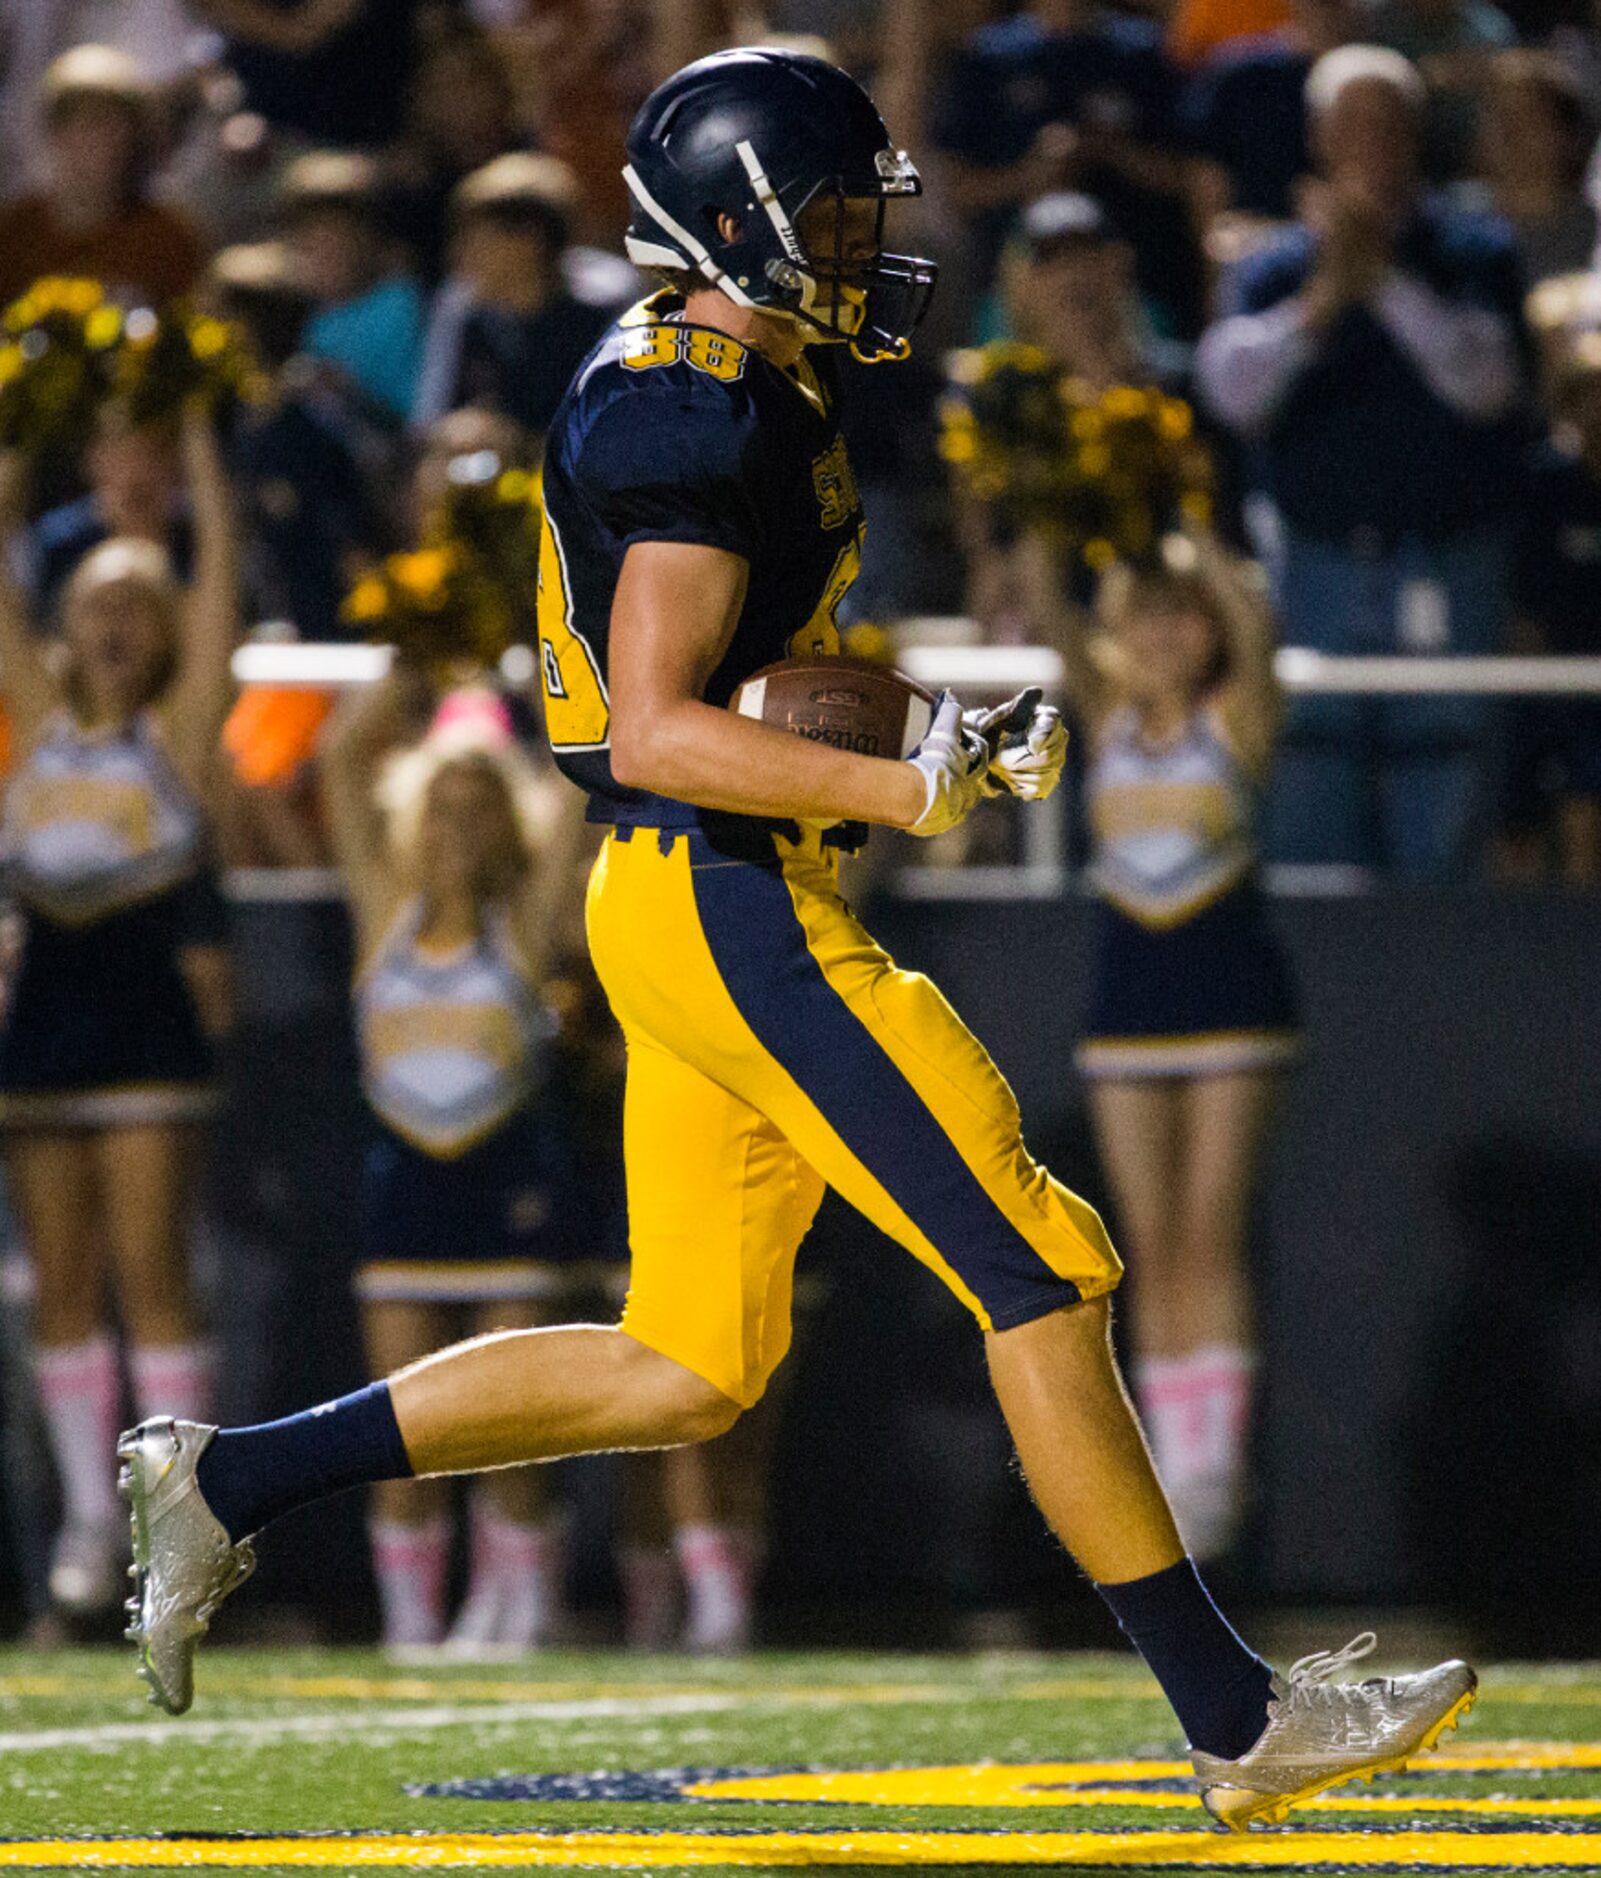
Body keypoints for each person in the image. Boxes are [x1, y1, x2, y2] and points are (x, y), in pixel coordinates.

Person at [119, 48, 1476, 1831]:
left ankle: (229, 1476)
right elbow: (658, 721)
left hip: (703, 887)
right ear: (738, 217)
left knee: (687, 1359)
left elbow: (760, 673)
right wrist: (911, 779)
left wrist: (918, 719)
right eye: (833, 213)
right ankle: (1233, 1717)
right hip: (721, 885)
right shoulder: (693, 410)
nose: (861, 245)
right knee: (1042, 1263)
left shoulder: (741, 378)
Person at [0, 407, 237, 1617]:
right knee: (60, 1281)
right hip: (42, 1019)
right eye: (97, 599)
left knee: (152, 1272)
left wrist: (195, 449)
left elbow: (221, 601)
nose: (116, 621)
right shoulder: (36, 729)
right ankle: (93, 1525)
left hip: (143, 1014)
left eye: (140, 604)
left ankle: (173, 1523)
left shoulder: (175, 736)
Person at [1197, 45, 1530, 877]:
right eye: (1351, 128)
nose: (1371, 146)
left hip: (1445, 561)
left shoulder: (1471, 248)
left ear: (1417, 136)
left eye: (1388, 126)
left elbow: (1484, 385)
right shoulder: (1275, 265)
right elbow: (1231, 394)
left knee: (1443, 781)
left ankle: (1444, 983)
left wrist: (1380, 282)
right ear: (1317, 140)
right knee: (1311, 781)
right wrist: (1320, 304)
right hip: (1312, 563)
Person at [1028, 530, 1295, 1560]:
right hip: (1126, 1000)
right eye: (1144, 617)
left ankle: (1216, 1464)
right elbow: (1054, 614)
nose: (1163, 634)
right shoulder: (1106, 724)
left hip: (1229, 991)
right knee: (1144, 1244)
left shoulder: (1236, 721)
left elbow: (1255, 634)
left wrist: (1187, 527)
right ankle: (1170, 1474)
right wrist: (1051, 494)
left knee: (1207, 1231)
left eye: (1179, 616)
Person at [324, 676, 585, 1649]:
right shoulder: (380, 918)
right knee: (402, 1432)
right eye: (443, 807)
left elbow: (572, 783)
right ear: (412, 816)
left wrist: (533, 671)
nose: (459, 829)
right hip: (404, 1199)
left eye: (480, 810)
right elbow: (341, 760)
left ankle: (521, 1605)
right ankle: (409, 1624)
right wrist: (418, 635)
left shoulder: (524, 926)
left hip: (509, 1194)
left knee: (508, 1425)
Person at [0, 45, 205, 309]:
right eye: (79, 122)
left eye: (109, 125)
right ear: (54, 133)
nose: (94, 141)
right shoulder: (14, 232)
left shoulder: (167, 238)